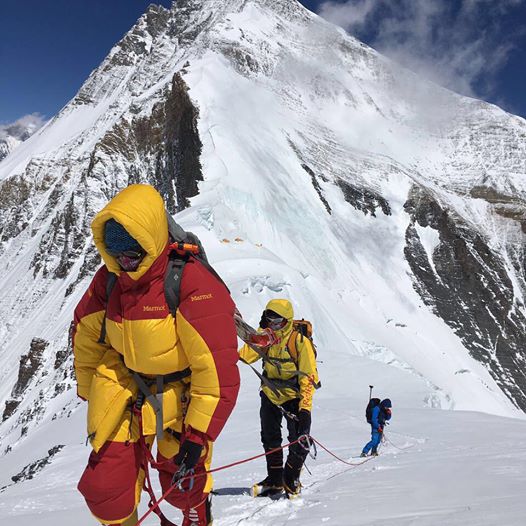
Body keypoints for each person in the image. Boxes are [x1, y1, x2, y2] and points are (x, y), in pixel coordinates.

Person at [72, 184, 240, 526]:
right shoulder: (110, 280)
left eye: (132, 254)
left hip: (179, 397)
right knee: (106, 490)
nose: (124, 263)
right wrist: (91, 391)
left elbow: (216, 370)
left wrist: (198, 435)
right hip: (123, 387)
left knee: (181, 483)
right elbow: (86, 335)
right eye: (116, 255)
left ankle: (196, 513)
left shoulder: (191, 282)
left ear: (150, 241)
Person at [239, 299, 319, 498]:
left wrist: (305, 410)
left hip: (294, 396)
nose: (273, 325)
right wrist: (257, 333)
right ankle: (275, 479)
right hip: (269, 393)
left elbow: (309, 378)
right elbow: (244, 356)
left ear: (287, 320)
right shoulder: (266, 337)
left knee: (299, 440)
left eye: (278, 322)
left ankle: (291, 477)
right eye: (270, 320)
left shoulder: (299, 342)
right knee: (269, 437)